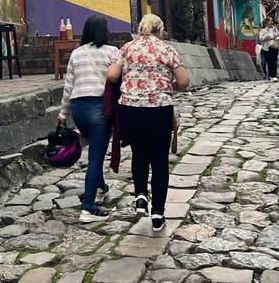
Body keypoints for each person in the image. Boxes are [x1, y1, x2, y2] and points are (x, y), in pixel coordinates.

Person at [107, 14, 190, 233]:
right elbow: (184, 81)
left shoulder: (127, 48)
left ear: (141, 29)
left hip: (130, 109)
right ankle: (158, 214)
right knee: (160, 160)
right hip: (159, 110)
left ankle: (141, 196)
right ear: (160, 31)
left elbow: (112, 75)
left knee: (139, 153)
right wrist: (167, 85)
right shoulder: (166, 50)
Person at [57, 15, 120, 222]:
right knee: (95, 158)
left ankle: (100, 185)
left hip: (78, 110)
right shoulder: (113, 53)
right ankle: (88, 208)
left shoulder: (76, 53)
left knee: (94, 147)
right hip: (100, 109)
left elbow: (68, 87)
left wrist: (62, 115)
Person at [257, 18, 279, 82]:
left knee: (274, 61)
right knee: (269, 62)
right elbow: (260, 39)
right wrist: (267, 36)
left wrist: (276, 38)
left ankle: (274, 76)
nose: (272, 22)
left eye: (272, 21)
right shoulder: (263, 30)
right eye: (270, 21)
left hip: (274, 46)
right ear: (267, 22)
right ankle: (270, 76)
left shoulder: (274, 29)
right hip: (266, 48)